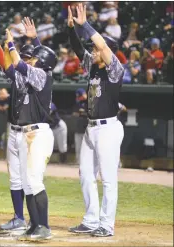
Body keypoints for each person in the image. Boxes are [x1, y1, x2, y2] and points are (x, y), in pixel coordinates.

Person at [67, 4, 124, 237]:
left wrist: (85, 25)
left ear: (109, 50)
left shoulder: (114, 69)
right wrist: (72, 29)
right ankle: (91, 220)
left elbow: (100, 43)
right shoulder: (93, 67)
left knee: (108, 179)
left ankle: (106, 224)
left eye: (98, 49)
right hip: (91, 129)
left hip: (109, 129)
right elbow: (76, 48)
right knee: (86, 175)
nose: (94, 51)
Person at [4, 21, 57, 240]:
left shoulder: (41, 75)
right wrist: (34, 39)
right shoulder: (40, 71)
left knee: (34, 181)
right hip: (28, 133)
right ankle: (34, 225)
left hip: (38, 133)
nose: (32, 59)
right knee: (27, 183)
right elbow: (40, 56)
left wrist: (10, 44)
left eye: (35, 57)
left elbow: (19, 63)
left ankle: (44, 226)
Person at [0, 16, 40, 232]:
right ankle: (19, 217)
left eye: (30, 58)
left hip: (31, 133)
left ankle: (36, 220)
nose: (27, 60)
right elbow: (0, 56)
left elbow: (41, 57)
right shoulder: (17, 76)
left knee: (30, 179)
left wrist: (34, 40)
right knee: (15, 178)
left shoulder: (40, 76)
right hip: (14, 130)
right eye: (25, 57)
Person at [72, 88, 88, 164]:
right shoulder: (78, 103)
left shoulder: (91, 101)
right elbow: (74, 113)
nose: (79, 98)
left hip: (88, 130)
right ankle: (78, 163)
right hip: (79, 129)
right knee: (78, 148)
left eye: (81, 96)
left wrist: (83, 113)